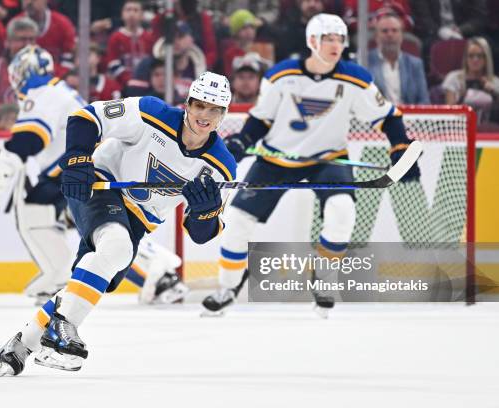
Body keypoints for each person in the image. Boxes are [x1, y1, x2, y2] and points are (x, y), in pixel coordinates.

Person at [0, 70, 236, 376]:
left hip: (136, 220)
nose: (205, 115)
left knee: (91, 280)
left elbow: (201, 234)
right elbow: (85, 117)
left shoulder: (221, 165)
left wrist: (206, 211)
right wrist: (78, 158)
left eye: (215, 109)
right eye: (200, 105)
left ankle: (20, 345)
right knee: (117, 248)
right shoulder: (151, 112)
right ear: (187, 104)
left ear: (224, 114)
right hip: (100, 184)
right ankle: (61, 333)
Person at [202, 13, 420, 316]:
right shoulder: (280, 76)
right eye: (328, 38)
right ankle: (228, 286)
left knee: (342, 211)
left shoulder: (356, 78)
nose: (335, 44)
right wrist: (242, 140)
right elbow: (261, 118)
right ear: (311, 41)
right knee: (237, 219)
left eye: (340, 38)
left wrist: (400, 148)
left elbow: (388, 117)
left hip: (327, 158)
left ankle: (324, 279)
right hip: (276, 158)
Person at [0, 45, 187, 307]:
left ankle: (61, 276)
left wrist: (5, 160)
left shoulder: (41, 94)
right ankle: (160, 272)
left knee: (36, 212)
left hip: (74, 168)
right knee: (97, 227)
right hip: (85, 163)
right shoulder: (58, 91)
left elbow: (30, 138)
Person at [0, 16, 38, 127]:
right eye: (22, 40)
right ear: (8, 42)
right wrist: (9, 112)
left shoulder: (43, 73)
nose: (28, 45)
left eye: (31, 40)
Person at [368, 13, 429, 104]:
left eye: (395, 30)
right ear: (376, 36)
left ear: (402, 36)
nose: (390, 35)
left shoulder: (415, 64)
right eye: (385, 31)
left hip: (408, 116)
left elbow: (424, 100)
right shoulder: (363, 62)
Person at [442, 37, 499, 124]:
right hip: (460, 129)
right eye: (471, 56)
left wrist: (493, 93)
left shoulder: (495, 82)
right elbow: (449, 112)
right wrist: (461, 97)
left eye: (479, 56)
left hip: (488, 130)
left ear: (486, 59)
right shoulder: (454, 78)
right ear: (466, 58)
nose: (475, 60)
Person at [18, 0, 76, 77]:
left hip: (56, 81)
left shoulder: (63, 25)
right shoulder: (15, 25)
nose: (29, 2)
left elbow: (69, 62)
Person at [104, 0, 154, 88]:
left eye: (135, 10)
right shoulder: (116, 37)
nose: (131, 14)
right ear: (122, 14)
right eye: (128, 10)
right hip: (123, 86)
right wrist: (129, 80)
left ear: (142, 15)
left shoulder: (149, 37)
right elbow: (112, 64)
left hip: (146, 84)